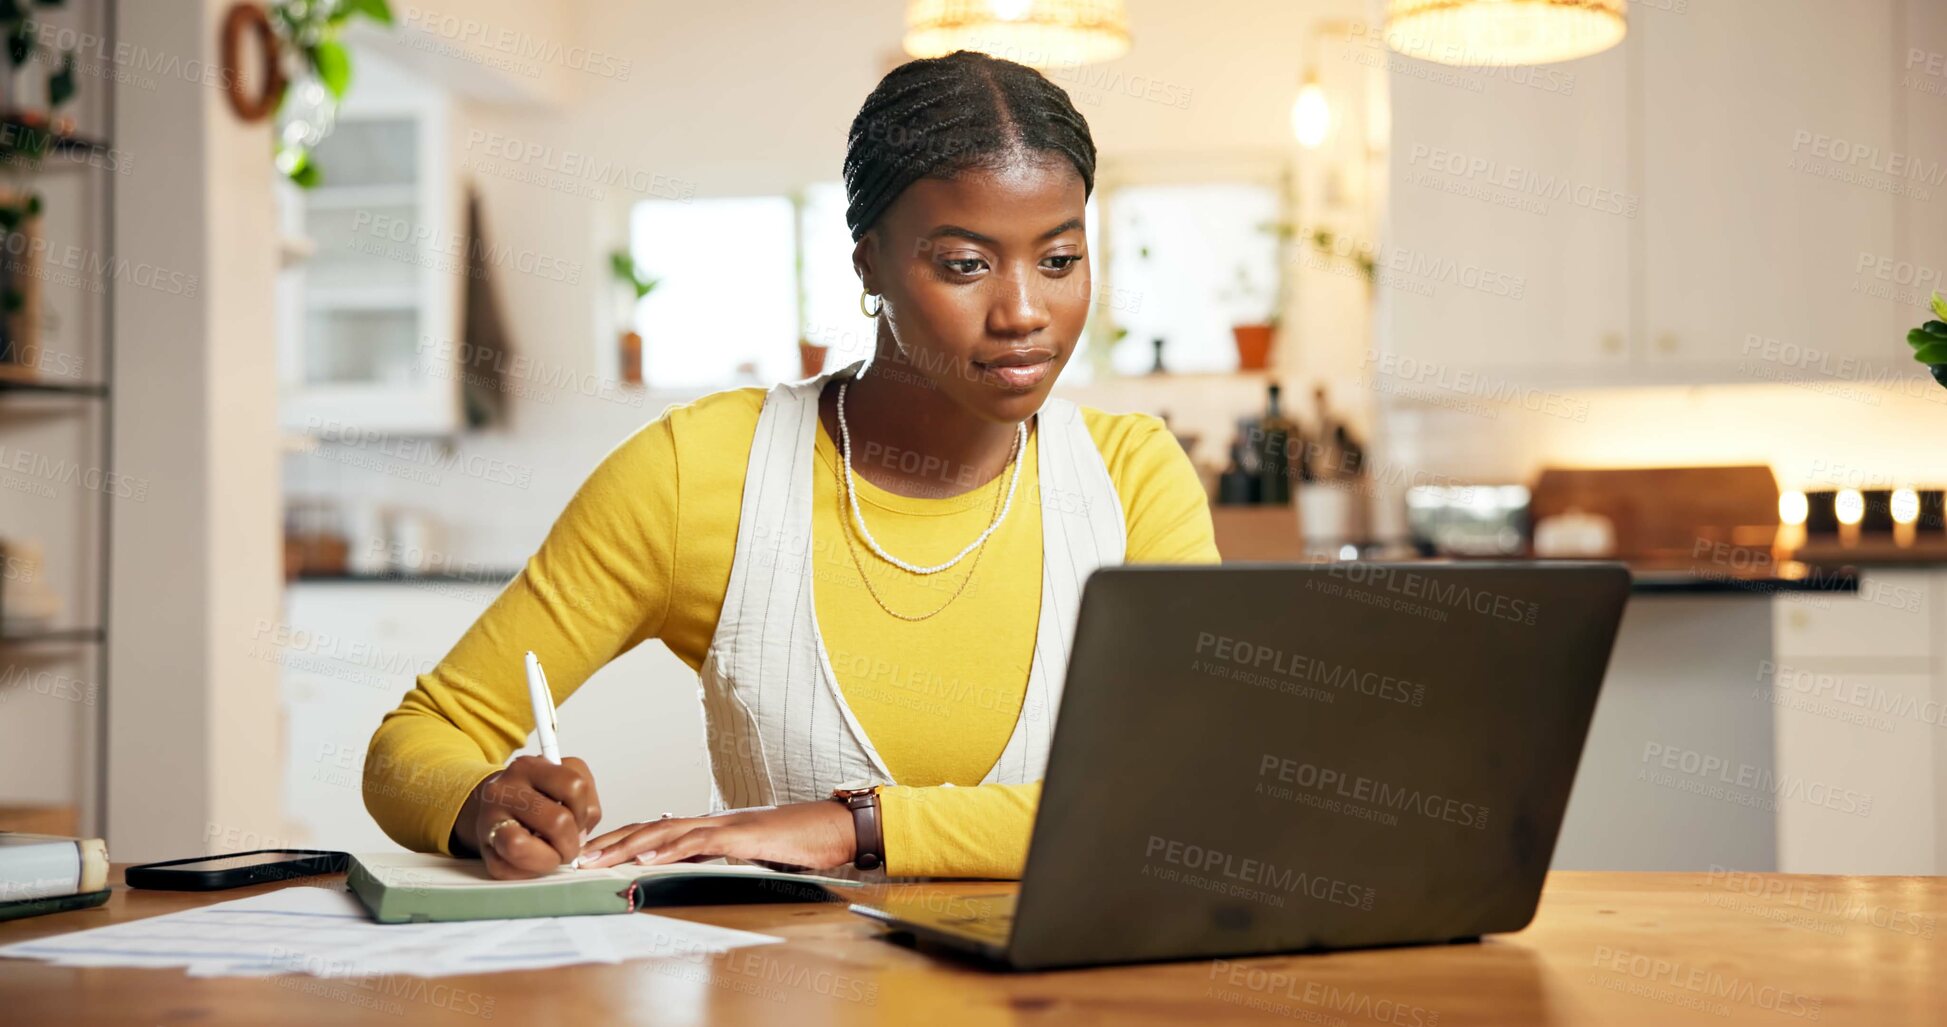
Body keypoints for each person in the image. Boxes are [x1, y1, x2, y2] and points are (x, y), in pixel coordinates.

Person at [362, 50, 1219, 880]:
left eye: (1060, 260)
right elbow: (417, 737)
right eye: (965, 264)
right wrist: (484, 803)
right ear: (868, 263)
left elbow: (1188, 793)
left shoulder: (1131, 480)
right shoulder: (697, 471)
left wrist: (853, 827)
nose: (1026, 311)